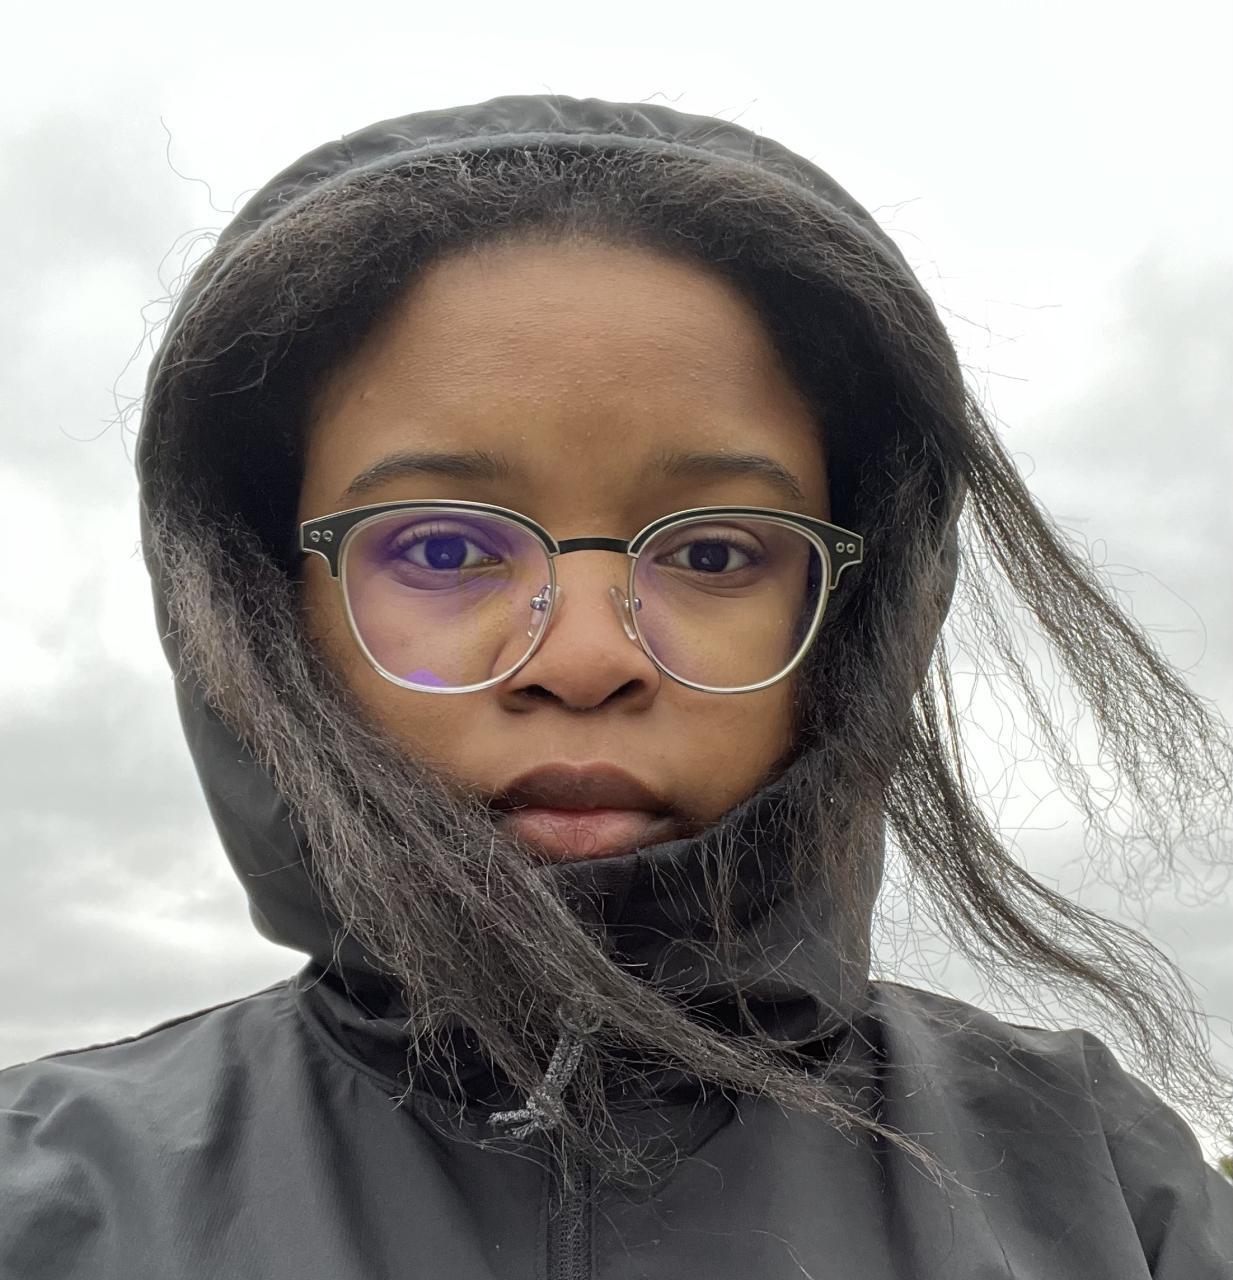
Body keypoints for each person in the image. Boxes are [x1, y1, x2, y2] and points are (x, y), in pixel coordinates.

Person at [1, 93, 1230, 1278]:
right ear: (269, 611)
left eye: (715, 553)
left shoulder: (1104, 1185)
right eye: (443, 547)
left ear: (859, 619)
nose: (585, 660)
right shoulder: (46, 1196)